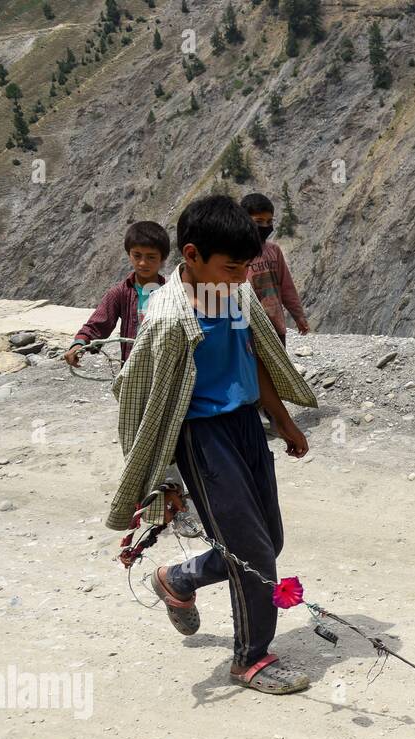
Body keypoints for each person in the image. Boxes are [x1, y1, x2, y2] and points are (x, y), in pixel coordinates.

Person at [105, 195, 318, 694]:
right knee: (254, 554)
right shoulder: (168, 318)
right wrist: (164, 480)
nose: (243, 276)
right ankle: (251, 659)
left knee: (269, 543)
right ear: (193, 256)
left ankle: (178, 580)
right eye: (232, 266)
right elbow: (147, 403)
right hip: (203, 438)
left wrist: (283, 422)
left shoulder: (234, 296)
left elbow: (258, 358)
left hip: (246, 426)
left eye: (247, 266)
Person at [64, 221, 169, 366]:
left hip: (166, 367)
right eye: (137, 255)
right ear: (129, 254)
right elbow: (98, 324)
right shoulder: (121, 293)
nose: (143, 263)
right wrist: (79, 344)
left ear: (162, 258)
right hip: (132, 367)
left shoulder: (172, 292)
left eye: (151, 257)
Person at [240, 192, 310, 342]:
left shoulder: (274, 251)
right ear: (244, 220)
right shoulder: (237, 255)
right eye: (259, 221)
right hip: (248, 329)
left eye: (269, 221)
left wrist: (298, 316)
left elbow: (287, 288)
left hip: (276, 326)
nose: (265, 226)